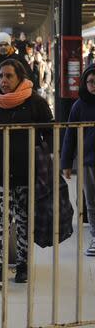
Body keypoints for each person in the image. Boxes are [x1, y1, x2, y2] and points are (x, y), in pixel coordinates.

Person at [0, 59, 53, 289]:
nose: (4, 81)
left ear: (20, 77)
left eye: (9, 76)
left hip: (26, 171)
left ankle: (22, 267)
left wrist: (45, 157)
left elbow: (50, 134)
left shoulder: (36, 103)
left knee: (23, 220)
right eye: (1, 76)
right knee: (0, 221)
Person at [62, 66, 95, 256]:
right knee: (91, 201)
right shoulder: (79, 106)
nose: (94, 85)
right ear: (84, 83)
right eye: (90, 81)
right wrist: (66, 162)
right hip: (88, 161)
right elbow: (70, 135)